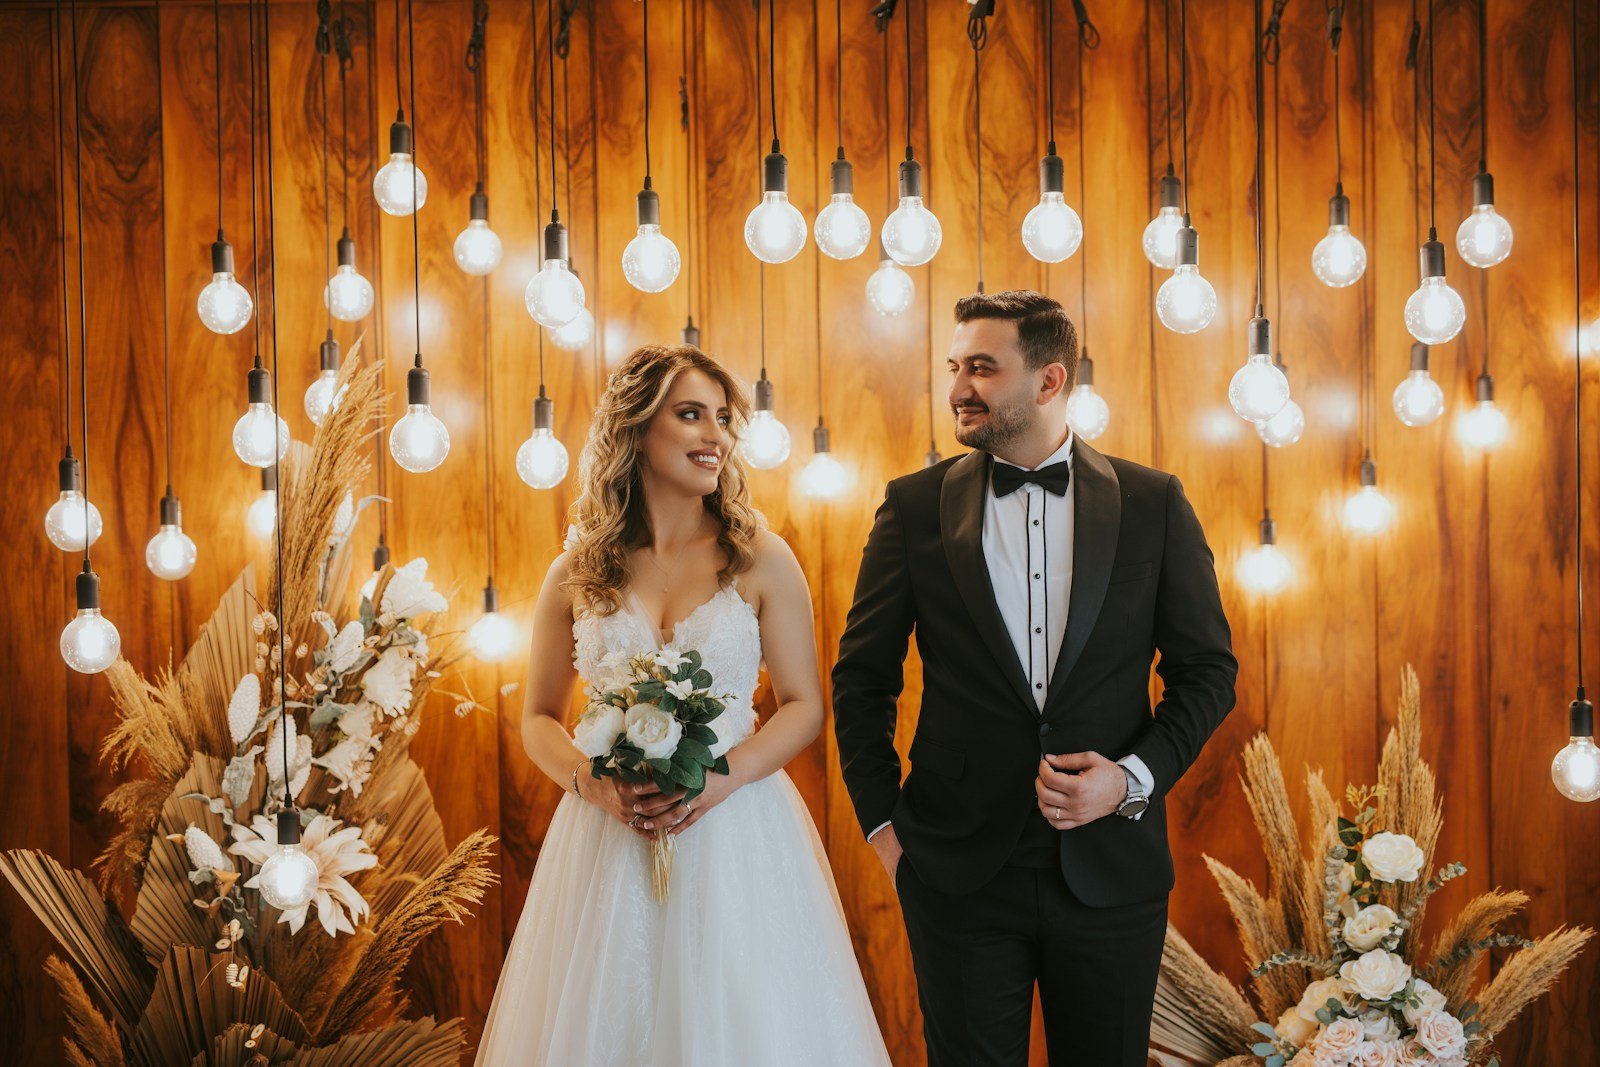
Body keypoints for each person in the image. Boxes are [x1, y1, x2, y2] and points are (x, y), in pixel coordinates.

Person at [832, 289, 1238, 1066]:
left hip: (1112, 870)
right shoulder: (912, 508)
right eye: (955, 366)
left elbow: (1207, 671)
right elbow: (862, 679)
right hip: (955, 873)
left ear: (1050, 381)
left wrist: (1130, 779)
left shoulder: (1154, 503)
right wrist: (884, 827)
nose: (958, 387)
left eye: (982, 367)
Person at [476, 344, 890, 1066]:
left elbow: (802, 706)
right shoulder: (578, 568)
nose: (716, 436)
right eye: (691, 414)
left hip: (738, 829)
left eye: (723, 418)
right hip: (609, 833)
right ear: (637, 428)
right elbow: (538, 715)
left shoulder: (760, 555)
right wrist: (593, 783)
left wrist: (723, 777)